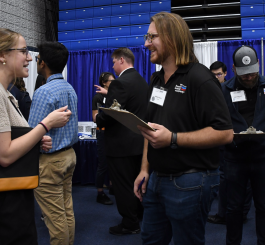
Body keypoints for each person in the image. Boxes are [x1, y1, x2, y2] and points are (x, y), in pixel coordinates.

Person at [0, 28, 71, 245]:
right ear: (2, 55)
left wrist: (35, 140)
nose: (29, 57)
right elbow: (4, 154)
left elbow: (5, 142)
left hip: (8, 198)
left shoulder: (2, 92)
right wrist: (45, 125)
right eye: (23, 51)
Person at [134, 12, 234, 245]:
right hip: (157, 179)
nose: (146, 43)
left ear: (171, 38)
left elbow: (225, 133)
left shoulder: (200, 78)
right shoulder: (156, 80)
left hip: (191, 182)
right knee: (150, 240)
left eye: (152, 37)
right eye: (146, 37)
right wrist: (145, 169)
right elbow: (150, 129)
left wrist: (173, 138)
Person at [221, 45, 265, 245]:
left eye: (252, 72)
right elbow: (215, 120)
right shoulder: (224, 89)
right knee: (233, 208)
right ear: (234, 69)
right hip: (234, 158)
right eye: (244, 74)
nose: (249, 77)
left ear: (258, 65)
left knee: (264, 207)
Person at [28, 42, 78, 245]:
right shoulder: (70, 88)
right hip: (69, 156)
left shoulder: (44, 92)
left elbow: (33, 134)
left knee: (55, 219)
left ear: (43, 63)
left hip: (50, 162)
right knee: (66, 211)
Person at [95, 47, 148, 235]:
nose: (112, 65)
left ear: (122, 60)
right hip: (140, 143)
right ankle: (139, 215)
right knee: (137, 182)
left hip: (121, 146)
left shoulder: (120, 83)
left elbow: (110, 115)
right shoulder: (143, 82)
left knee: (123, 185)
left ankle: (129, 223)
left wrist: (98, 119)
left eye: (114, 62)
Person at [207, 60, 252, 225]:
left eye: (219, 74)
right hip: (219, 142)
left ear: (226, 73)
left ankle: (241, 214)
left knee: (242, 179)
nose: (216, 77)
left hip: (238, 140)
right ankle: (223, 213)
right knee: (224, 179)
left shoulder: (235, 89)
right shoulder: (209, 91)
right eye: (213, 75)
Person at [92, 72, 115, 205]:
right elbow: (94, 118)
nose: (113, 83)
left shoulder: (114, 96)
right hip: (103, 133)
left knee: (113, 162)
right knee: (103, 164)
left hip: (114, 133)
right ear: (104, 83)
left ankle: (112, 187)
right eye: (111, 81)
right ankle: (100, 193)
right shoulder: (98, 97)